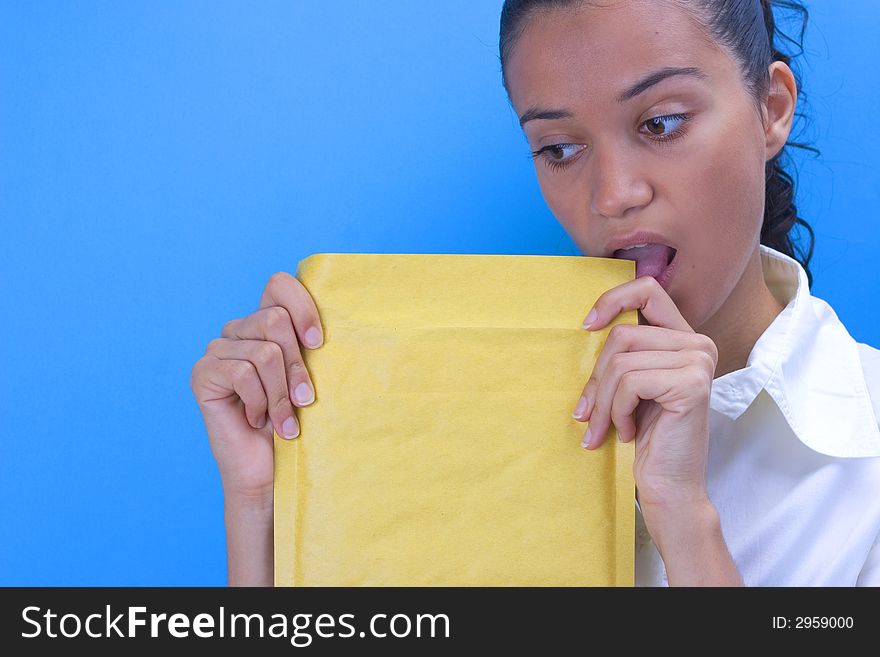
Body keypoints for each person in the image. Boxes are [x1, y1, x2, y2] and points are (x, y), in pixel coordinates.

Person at [190, 0, 880, 586]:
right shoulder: (451, 417)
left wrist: (685, 517)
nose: (613, 195)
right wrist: (259, 506)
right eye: (558, 149)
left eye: (660, 123)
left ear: (772, 109)